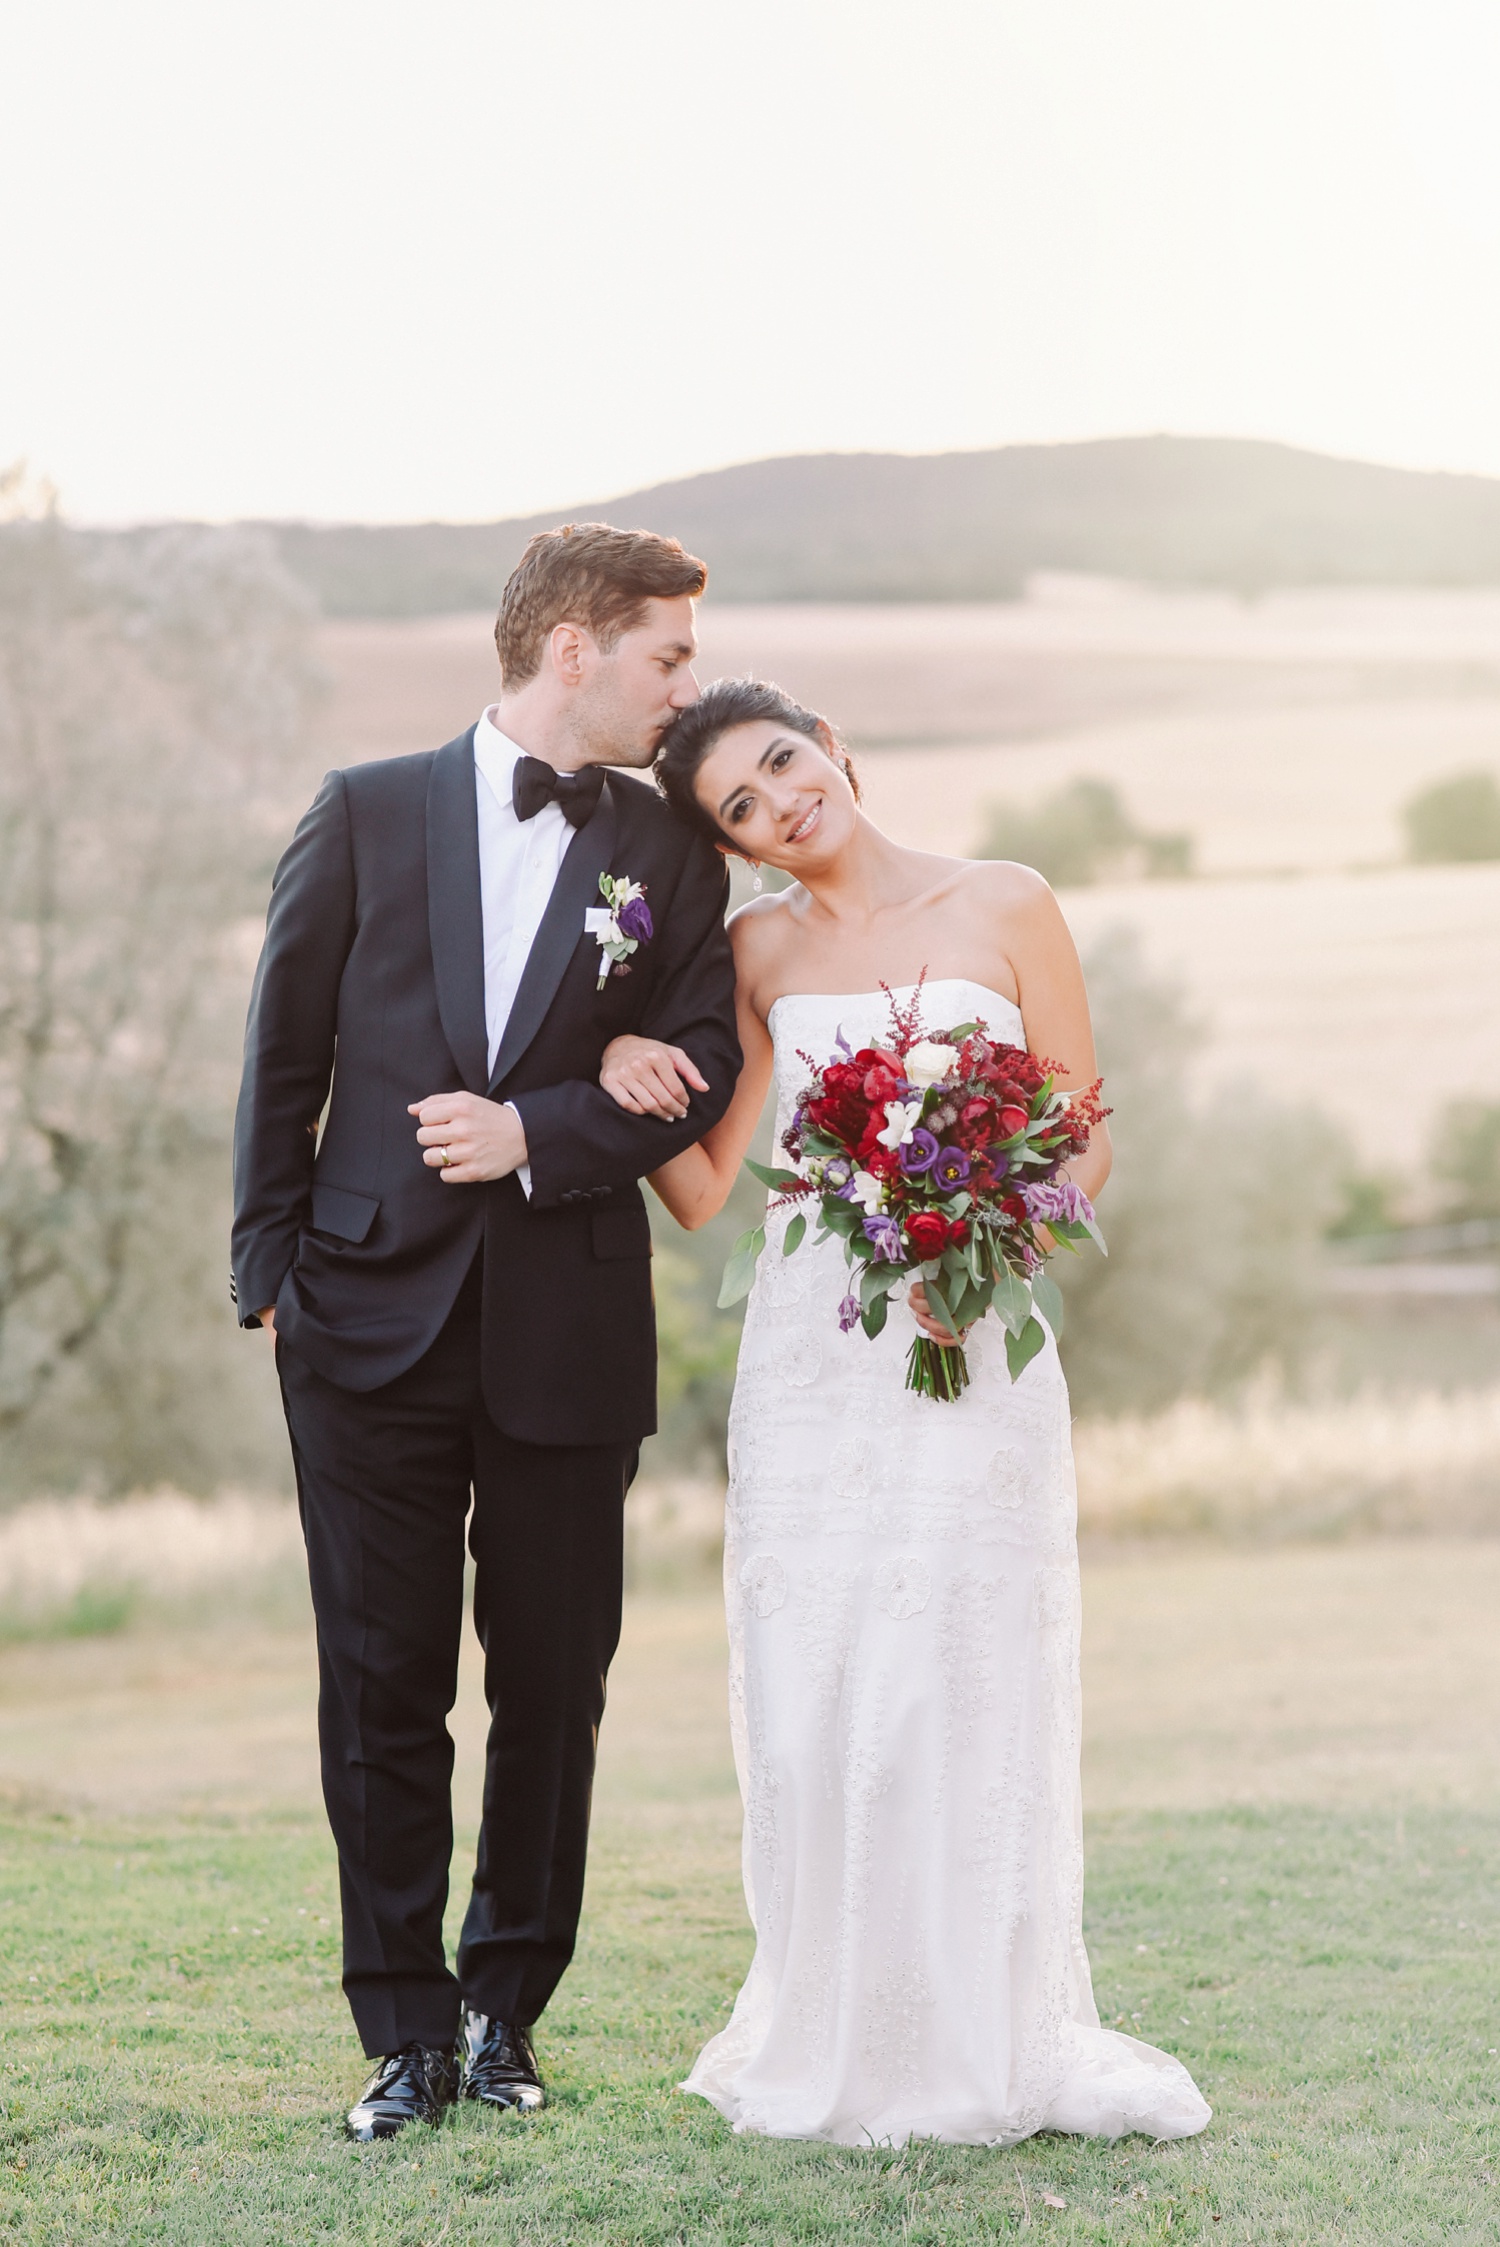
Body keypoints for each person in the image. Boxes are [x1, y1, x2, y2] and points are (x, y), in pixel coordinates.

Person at [597, 677, 1211, 2148]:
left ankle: (979, 2031)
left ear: (835, 748)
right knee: (819, 1691)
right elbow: (703, 1187)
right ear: (731, 846)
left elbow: (1086, 1136)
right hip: (815, 1352)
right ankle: (836, 2027)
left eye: (782, 765)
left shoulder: (1007, 900)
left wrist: (980, 1244)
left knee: (958, 1667)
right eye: (738, 808)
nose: (777, 806)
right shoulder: (754, 952)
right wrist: (610, 1066)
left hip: (972, 1335)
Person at [231, 526, 741, 2140]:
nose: (688, 686)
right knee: (379, 1687)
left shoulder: (667, 851)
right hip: (360, 1320)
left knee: (554, 1684)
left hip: (567, 1331)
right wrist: (267, 1275)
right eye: (667, 654)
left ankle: (506, 2014)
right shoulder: (367, 810)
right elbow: (284, 1047)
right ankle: (403, 2037)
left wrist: (546, 1130)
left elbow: (704, 1060)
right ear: (574, 647)